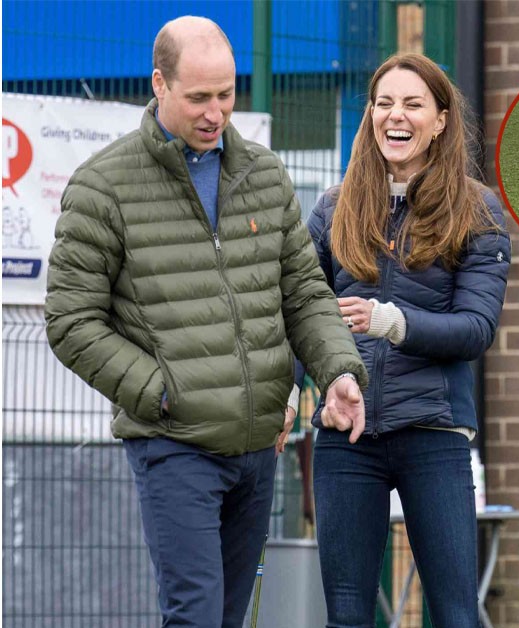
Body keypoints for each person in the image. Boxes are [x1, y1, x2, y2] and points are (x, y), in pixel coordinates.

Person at [43, 16, 368, 627]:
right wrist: (162, 391)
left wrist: (338, 371)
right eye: (198, 97)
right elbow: (69, 319)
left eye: (226, 94)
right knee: (193, 616)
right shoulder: (103, 186)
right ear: (159, 84)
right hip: (175, 443)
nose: (216, 112)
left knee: (225, 617)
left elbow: (303, 293)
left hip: (258, 445)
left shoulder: (265, 176)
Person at [306, 52, 511, 627]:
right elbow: (301, 314)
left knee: (453, 614)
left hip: (434, 433)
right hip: (347, 438)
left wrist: (393, 322)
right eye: (385, 103)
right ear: (371, 113)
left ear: (441, 119)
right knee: (347, 616)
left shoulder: (478, 210)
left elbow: (476, 329)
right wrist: (304, 389)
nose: (396, 116)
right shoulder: (332, 207)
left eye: (413, 104)